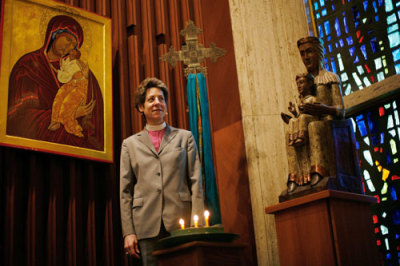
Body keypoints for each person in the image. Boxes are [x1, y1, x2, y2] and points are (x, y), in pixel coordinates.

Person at [120, 77, 204, 265]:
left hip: (181, 222)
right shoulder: (129, 144)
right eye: (151, 99)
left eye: (161, 99)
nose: (157, 102)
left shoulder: (185, 137)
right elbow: (125, 191)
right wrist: (129, 231)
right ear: (141, 107)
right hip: (146, 226)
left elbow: (196, 181)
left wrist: (196, 224)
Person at [7, 15, 103, 150]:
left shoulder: (76, 68)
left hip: (70, 145)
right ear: (54, 34)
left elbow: (94, 116)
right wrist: (70, 114)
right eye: (68, 39)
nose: (69, 47)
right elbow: (19, 116)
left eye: (74, 46)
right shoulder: (29, 65)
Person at [286, 36, 345, 193]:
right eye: (302, 53)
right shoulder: (304, 81)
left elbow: (341, 110)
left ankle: (318, 171)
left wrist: (325, 109)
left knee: (313, 127)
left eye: (309, 52)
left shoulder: (330, 78)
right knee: (292, 126)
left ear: (319, 53)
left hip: (328, 124)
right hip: (308, 121)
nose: (306, 57)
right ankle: (296, 177)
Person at [48, 49, 91, 137]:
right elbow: (64, 73)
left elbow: (66, 75)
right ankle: (54, 121)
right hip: (71, 83)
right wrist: (53, 68)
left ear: (77, 54)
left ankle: (72, 126)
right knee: (59, 96)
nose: (71, 52)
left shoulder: (79, 63)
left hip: (80, 85)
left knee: (67, 102)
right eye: (71, 52)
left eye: (73, 52)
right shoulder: (67, 62)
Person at [282, 73, 318, 146]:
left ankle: (302, 136)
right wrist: (295, 112)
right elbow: (299, 116)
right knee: (292, 120)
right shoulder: (301, 101)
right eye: (297, 84)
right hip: (303, 119)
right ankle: (293, 138)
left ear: (310, 83)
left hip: (313, 118)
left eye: (301, 82)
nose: (298, 86)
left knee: (303, 117)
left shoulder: (312, 99)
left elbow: (317, 111)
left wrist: (309, 110)